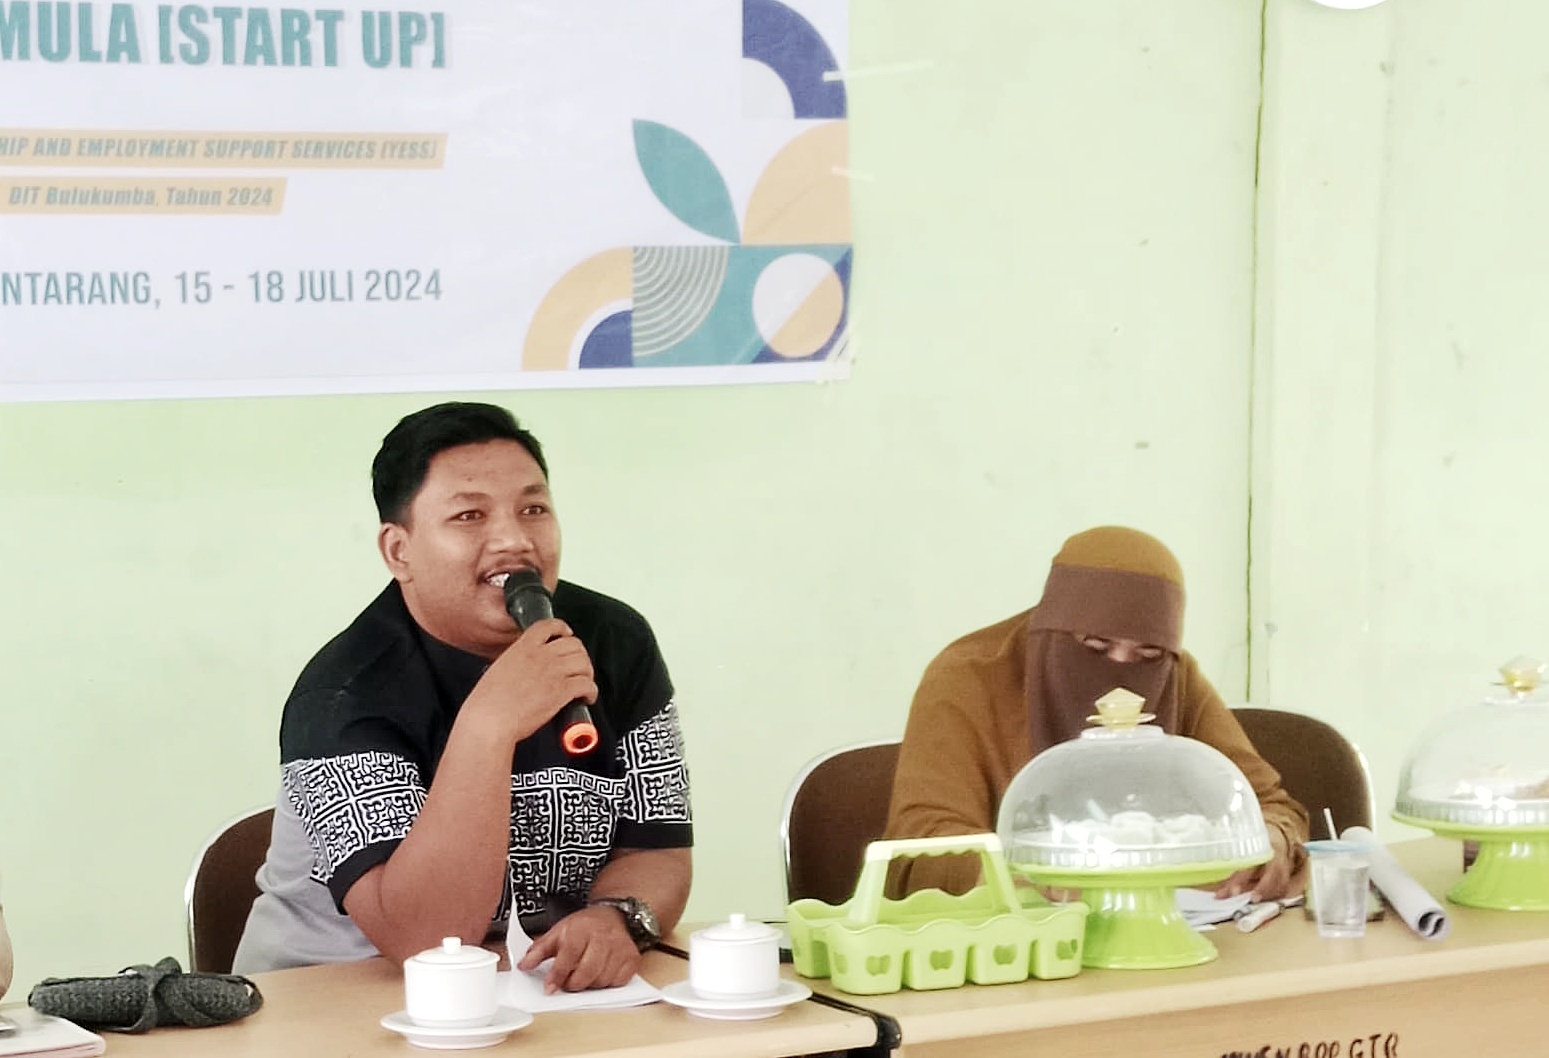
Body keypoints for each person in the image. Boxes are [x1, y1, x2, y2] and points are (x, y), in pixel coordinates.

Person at [234, 402, 693, 991]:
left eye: (533, 509)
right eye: (469, 515)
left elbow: (657, 849)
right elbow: (424, 940)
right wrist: (489, 726)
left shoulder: (614, 640)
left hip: (535, 991)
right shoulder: (343, 692)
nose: (514, 540)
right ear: (399, 551)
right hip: (336, 996)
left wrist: (616, 917)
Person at [884, 525, 1307, 900]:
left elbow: (1267, 803)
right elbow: (922, 844)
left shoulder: (1174, 676)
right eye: (1094, 646)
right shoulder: (967, 677)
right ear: (1049, 630)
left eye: (1146, 654)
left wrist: (1271, 839)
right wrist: (1025, 878)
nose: (1119, 676)